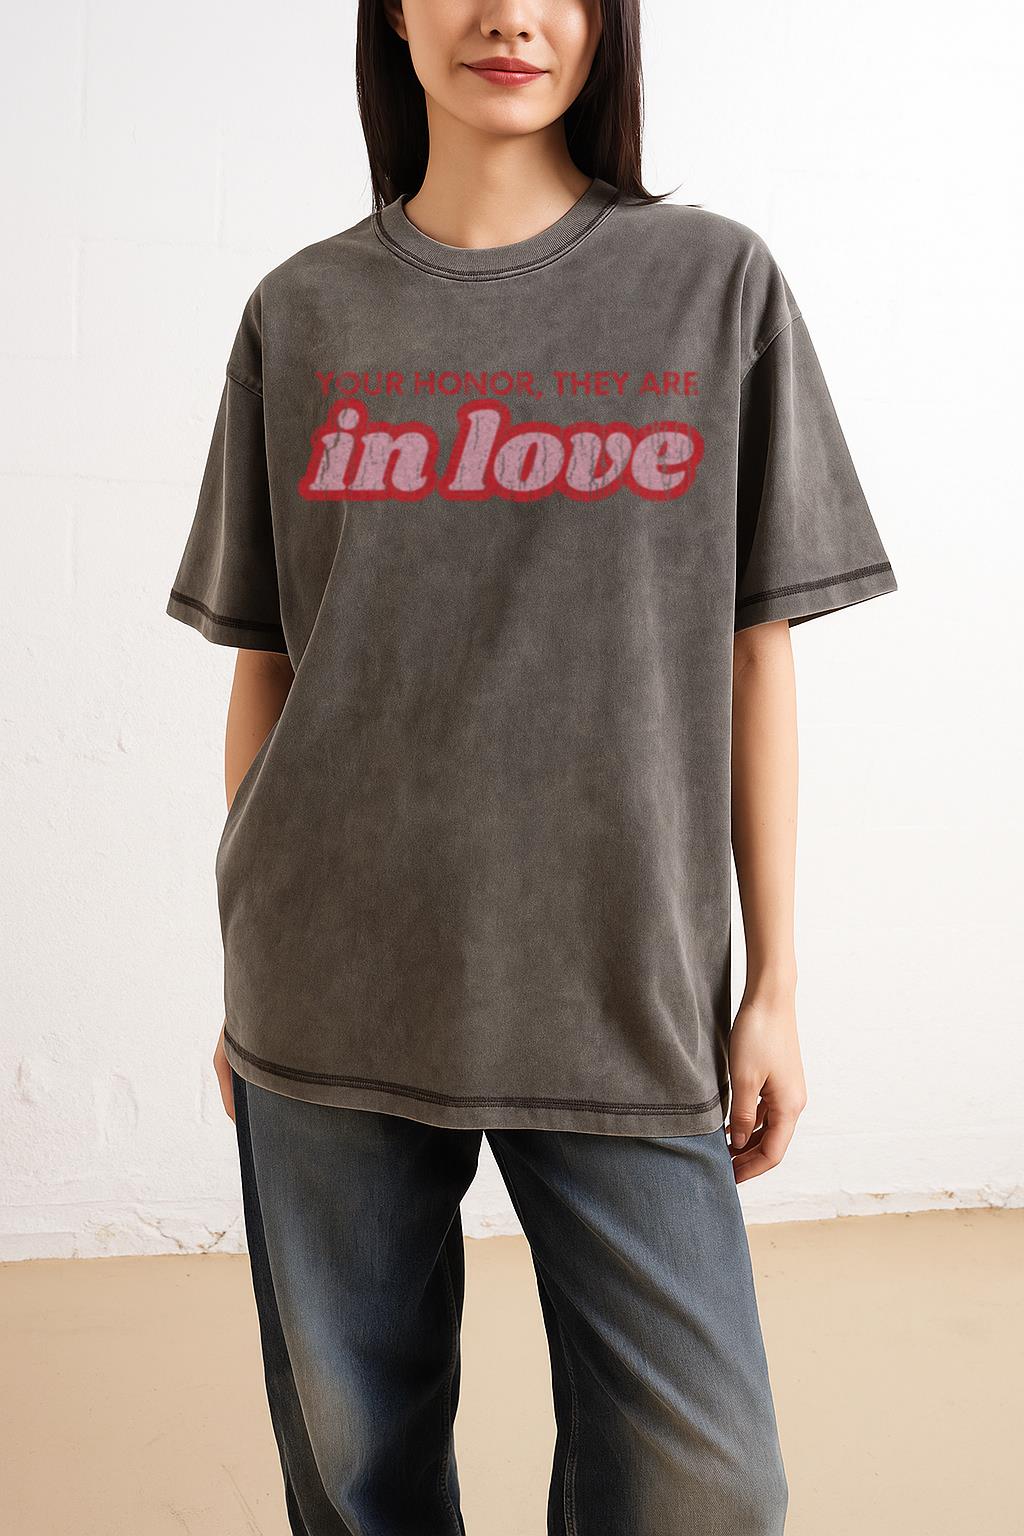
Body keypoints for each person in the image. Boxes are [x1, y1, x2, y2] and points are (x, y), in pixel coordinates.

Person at [165, 1, 898, 1531]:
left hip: (616, 991)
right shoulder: (303, 312)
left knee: (705, 1488)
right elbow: (270, 665)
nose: (509, 14)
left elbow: (756, 652)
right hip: (328, 986)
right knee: (357, 1481)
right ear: (394, 14)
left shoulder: (713, 286)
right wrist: (245, 979)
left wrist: (772, 985)